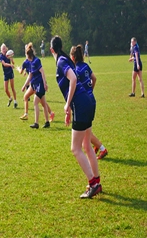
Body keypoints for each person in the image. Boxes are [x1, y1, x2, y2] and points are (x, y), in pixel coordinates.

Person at [50, 36, 101, 199]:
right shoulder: (66, 59)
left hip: (81, 104)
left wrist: (68, 105)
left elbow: (73, 79)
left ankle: (93, 184)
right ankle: (97, 181)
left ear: (52, 50)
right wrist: (69, 111)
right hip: (87, 102)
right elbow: (73, 83)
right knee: (86, 144)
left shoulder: (61, 62)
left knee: (75, 148)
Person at [70, 45, 108, 160]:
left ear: (72, 57)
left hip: (83, 104)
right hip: (92, 101)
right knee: (86, 129)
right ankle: (97, 146)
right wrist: (90, 91)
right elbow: (94, 78)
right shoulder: (86, 66)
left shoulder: (75, 71)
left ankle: (102, 148)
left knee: (83, 131)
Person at [18, 44, 55, 122]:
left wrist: (44, 83)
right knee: (26, 97)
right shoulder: (25, 62)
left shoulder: (34, 61)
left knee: (41, 102)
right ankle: (26, 114)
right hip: (32, 83)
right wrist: (25, 83)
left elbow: (40, 71)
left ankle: (48, 115)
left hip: (38, 83)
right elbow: (28, 73)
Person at [0, 43, 18, 108]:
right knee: (6, 89)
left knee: (12, 87)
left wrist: (11, 58)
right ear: (1, 50)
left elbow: (13, 63)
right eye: (2, 49)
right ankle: (10, 98)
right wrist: (10, 65)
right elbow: (4, 64)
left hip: (10, 73)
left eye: (4, 48)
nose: (4, 50)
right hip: (5, 74)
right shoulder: (1, 56)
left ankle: (15, 101)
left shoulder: (8, 54)